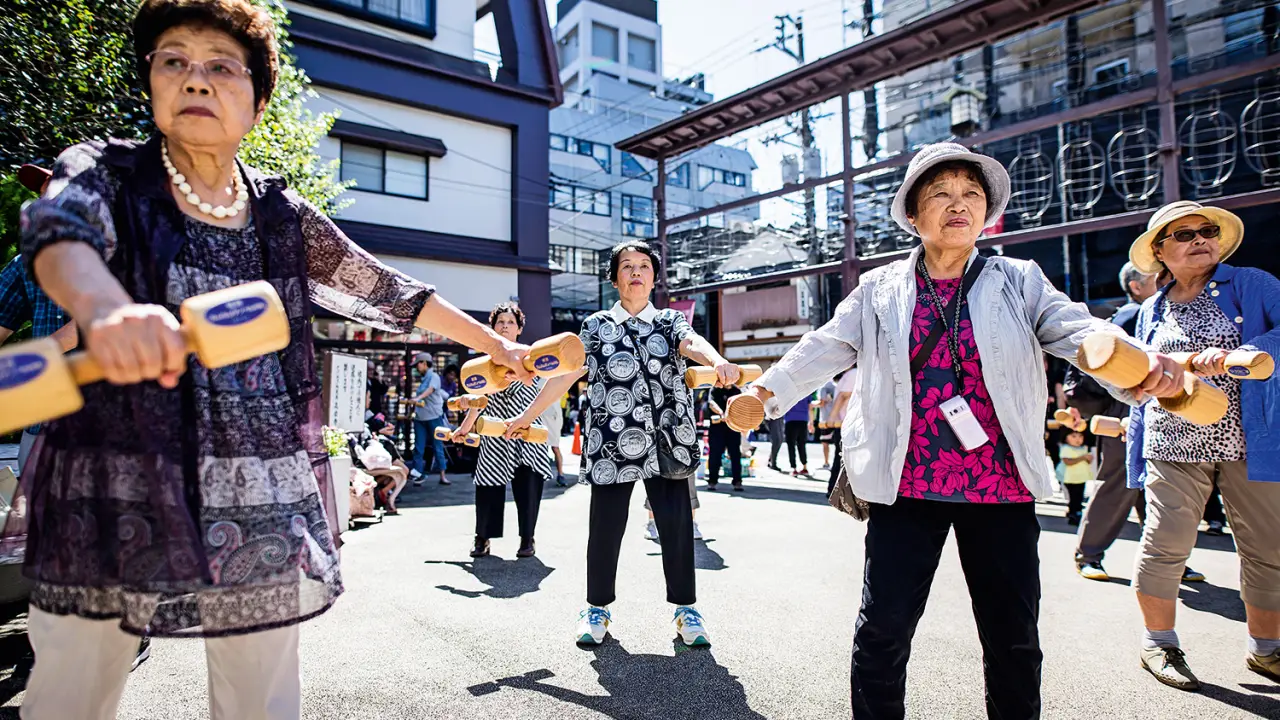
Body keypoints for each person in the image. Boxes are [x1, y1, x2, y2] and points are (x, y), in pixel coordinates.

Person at [9, 2, 533, 716]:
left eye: (220, 67)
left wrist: (496, 343)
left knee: (260, 692)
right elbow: (58, 228)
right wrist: (104, 308)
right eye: (174, 61)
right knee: (74, 687)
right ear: (152, 84)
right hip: (116, 467)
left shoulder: (280, 213)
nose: (196, 79)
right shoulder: (108, 173)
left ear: (257, 103)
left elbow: (384, 289)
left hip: (254, 478)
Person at [742, 142, 1186, 717]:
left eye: (971, 195)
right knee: (881, 632)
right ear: (914, 214)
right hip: (907, 483)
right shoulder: (879, 289)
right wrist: (765, 392)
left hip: (1000, 485)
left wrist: (1136, 361)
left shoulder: (1018, 279)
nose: (959, 205)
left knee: (1013, 640)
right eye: (942, 195)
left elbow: (1075, 328)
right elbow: (824, 345)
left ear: (987, 211)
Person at [505, 240, 740, 649]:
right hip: (613, 443)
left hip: (667, 440)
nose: (636, 272)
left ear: (654, 276)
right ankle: (596, 608)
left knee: (677, 528)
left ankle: (686, 610)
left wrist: (715, 360)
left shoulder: (668, 322)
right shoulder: (596, 326)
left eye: (644, 266)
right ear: (614, 278)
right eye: (627, 266)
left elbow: (691, 342)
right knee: (605, 529)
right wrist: (527, 416)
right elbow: (566, 374)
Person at [1123, 200, 1280, 689]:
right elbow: (1143, 373)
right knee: (1165, 543)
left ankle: (1267, 651)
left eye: (1206, 230)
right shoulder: (1152, 307)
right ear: (1160, 251)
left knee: (1267, 549)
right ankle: (1159, 644)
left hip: (1248, 441)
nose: (1199, 239)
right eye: (1184, 234)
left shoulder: (1254, 283)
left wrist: (1246, 353)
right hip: (1171, 441)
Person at [1071, 262, 1176, 582]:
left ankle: (1171, 559)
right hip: (1128, 411)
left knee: (1158, 488)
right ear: (1135, 287)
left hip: (1158, 410)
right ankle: (1088, 553)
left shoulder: (1162, 310)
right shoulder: (1132, 315)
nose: (1164, 282)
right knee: (1119, 483)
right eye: (1155, 278)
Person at [453, 303, 553, 559]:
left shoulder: (532, 358)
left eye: (510, 322)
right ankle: (482, 538)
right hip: (494, 433)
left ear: (519, 329)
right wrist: (464, 429)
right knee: (487, 485)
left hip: (527, 433)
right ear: (492, 328)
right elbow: (478, 401)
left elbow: (545, 394)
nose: (505, 326)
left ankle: (527, 538)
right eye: (500, 322)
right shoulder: (483, 363)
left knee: (529, 487)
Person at [412, 352, 450, 486]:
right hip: (420, 417)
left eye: (418, 364)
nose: (417, 368)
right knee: (418, 447)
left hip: (434, 416)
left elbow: (431, 390)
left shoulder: (434, 376)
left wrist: (417, 398)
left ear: (424, 363)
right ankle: (418, 475)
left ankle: (443, 475)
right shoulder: (423, 379)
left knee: (438, 446)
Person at [705, 384, 745, 491]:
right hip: (717, 427)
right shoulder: (715, 389)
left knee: (735, 454)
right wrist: (722, 413)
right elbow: (711, 403)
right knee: (715, 454)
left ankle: (737, 481)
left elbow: (741, 405)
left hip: (733, 427)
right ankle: (712, 481)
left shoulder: (736, 391)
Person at [1057, 429, 1093, 525]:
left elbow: (1088, 462)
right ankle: (1074, 513)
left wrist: (1089, 459)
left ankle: (1076, 511)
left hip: (1081, 477)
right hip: (1070, 478)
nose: (1078, 439)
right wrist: (1082, 458)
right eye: (1073, 436)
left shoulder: (1084, 448)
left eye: (1080, 436)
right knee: (1073, 496)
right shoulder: (1066, 448)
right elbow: (1067, 462)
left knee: (1080, 495)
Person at [781, 396, 811, 475]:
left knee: (791, 445)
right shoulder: (807, 391)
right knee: (802, 444)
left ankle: (794, 468)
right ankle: (805, 467)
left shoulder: (788, 391)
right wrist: (811, 422)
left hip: (790, 419)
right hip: (803, 419)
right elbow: (810, 407)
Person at [817, 378, 838, 469]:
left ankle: (826, 463)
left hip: (826, 418)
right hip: (837, 418)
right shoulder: (836, 386)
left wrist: (812, 405)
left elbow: (822, 402)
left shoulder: (823, 386)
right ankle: (836, 463)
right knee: (837, 442)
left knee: (825, 442)